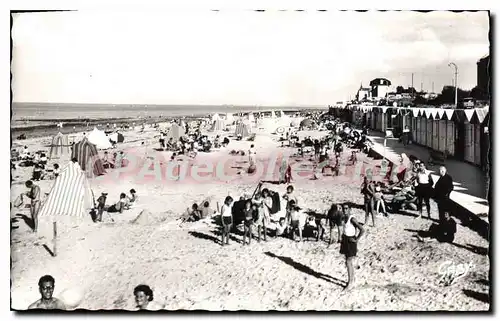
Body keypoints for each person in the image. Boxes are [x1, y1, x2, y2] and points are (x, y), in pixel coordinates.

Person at [340, 203, 365, 291]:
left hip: (351, 241)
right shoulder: (344, 217)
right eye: (343, 209)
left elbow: (362, 229)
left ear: (350, 209)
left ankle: (350, 283)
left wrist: (356, 239)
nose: (345, 210)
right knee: (347, 261)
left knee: (348, 261)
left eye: (346, 209)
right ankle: (352, 279)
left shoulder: (352, 219)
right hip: (345, 239)